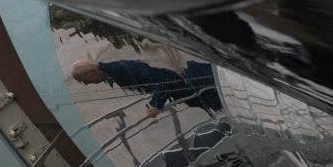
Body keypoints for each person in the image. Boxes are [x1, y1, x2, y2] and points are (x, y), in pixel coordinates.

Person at [71, 58, 222, 117]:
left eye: (85, 81)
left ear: (92, 72)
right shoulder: (113, 72)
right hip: (189, 85)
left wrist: (156, 105)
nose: (87, 85)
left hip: (197, 85)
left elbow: (164, 79)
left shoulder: (121, 70)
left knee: (222, 102)